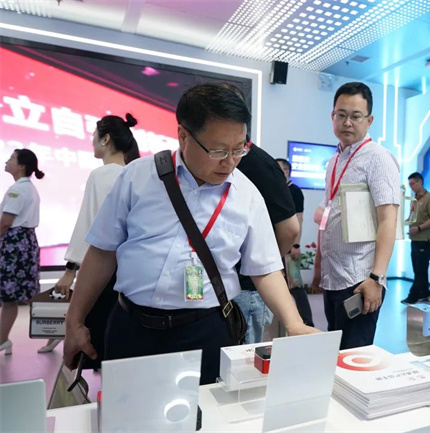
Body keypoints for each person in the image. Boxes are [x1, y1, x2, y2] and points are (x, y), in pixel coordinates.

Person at [63, 83, 316, 384]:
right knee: (127, 409)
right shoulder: (138, 176)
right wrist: (74, 320)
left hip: (204, 330)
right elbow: (102, 252)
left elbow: (265, 269)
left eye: (239, 149)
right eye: (218, 150)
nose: (230, 161)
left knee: (202, 410)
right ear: (183, 136)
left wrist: (294, 323)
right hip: (132, 327)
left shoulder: (247, 195)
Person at [38, 114, 139, 354]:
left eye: (94, 136)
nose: (92, 141)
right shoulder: (133, 174)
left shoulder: (101, 175)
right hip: (131, 270)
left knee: (98, 334)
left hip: (102, 269)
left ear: (106, 139)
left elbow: (89, 225)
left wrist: (70, 271)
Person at [312, 82, 400, 349]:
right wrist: (318, 264)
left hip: (360, 278)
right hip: (333, 276)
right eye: (341, 115)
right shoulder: (333, 161)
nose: (347, 122)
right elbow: (328, 214)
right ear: (332, 116)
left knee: (354, 355)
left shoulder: (378, 158)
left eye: (356, 116)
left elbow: (388, 220)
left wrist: (376, 278)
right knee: (335, 351)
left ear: (369, 120)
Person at [218, 82, 301, 344]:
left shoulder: (259, 165)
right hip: (219, 287)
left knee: (239, 361)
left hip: (245, 290)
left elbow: (289, 229)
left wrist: (261, 264)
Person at [0, 149, 45, 355]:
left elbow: (5, 222)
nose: (6, 161)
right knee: (14, 296)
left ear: (21, 166)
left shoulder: (17, 190)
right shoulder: (28, 188)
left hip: (14, 245)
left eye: (11, 158)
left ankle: (58, 327)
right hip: (24, 243)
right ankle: (3, 340)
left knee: (14, 294)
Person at [276, 158, 314, 326]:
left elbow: (299, 219)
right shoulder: (276, 190)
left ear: (287, 171)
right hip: (276, 246)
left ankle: (307, 322)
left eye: (278, 169)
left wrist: (296, 245)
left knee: (296, 285)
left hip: (290, 247)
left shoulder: (295, 191)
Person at [401, 172, 430, 305]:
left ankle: (413, 296)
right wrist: (406, 222)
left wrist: (419, 228)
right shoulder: (415, 199)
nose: (411, 187)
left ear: (420, 182)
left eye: (413, 184)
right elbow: (412, 216)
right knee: (419, 269)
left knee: (420, 270)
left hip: (424, 239)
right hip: (415, 238)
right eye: (409, 184)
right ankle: (425, 293)